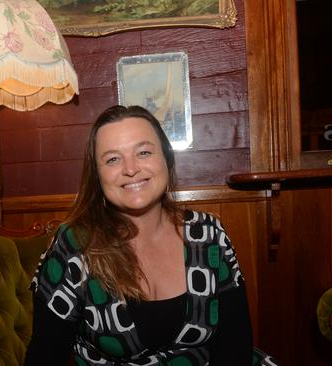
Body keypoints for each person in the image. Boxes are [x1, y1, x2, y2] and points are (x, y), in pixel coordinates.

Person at [24, 105, 256, 365]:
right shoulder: (75, 245)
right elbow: (45, 355)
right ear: (97, 176)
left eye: (143, 152)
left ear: (167, 159)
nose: (131, 169)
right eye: (113, 159)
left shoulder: (209, 235)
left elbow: (235, 346)